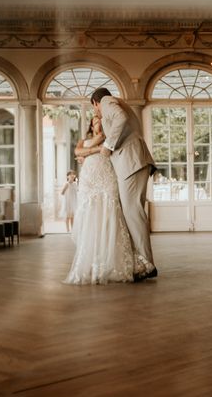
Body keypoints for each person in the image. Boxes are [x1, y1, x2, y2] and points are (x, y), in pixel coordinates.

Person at [90, 87, 157, 280]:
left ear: (96, 102)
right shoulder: (117, 102)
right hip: (133, 163)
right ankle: (142, 262)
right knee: (132, 213)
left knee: (133, 213)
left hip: (131, 163)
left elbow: (120, 118)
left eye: (95, 110)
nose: (97, 114)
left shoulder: (107, 101)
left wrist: (107, 147)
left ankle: (147, 264)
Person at [63, 117, 135, 284]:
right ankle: (93, 264)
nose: (99, 123)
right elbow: (77, 152)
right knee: (91, 217)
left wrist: (88, 151)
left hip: (106, 176)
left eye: (101, 120)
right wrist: (95, 149)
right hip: (90, 179)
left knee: (110, 214)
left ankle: (112, 264)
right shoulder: (84, 139)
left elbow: (91, 151)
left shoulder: (109, 136)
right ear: (90, 124)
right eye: (95, 121)